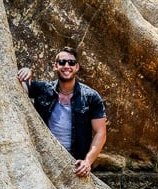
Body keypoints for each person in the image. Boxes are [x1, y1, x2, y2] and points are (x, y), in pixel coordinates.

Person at [17, 47, 107, 177]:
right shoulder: (43, 90)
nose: (66, 66)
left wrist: (87, 162)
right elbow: (18, 88)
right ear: (55, 66)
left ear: (76, 67)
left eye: (71, 63)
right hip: (44, 160)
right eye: (62, 62)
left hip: (75, 163)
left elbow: (101, 132)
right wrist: (25, 72)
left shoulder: (91, 97)